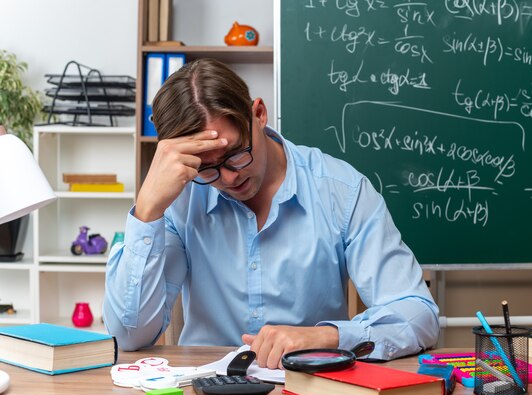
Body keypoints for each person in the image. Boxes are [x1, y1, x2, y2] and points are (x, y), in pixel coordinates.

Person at [103, 58, 439, 369]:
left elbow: (418, 316)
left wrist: (326, 337)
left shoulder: (342, 190)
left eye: (236, 153)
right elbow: (128, 337)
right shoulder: (180, 198)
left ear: (259, 114)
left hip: (310, 389)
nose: (230, 177)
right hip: (203, 393)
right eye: (208, 169)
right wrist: (148, 210)